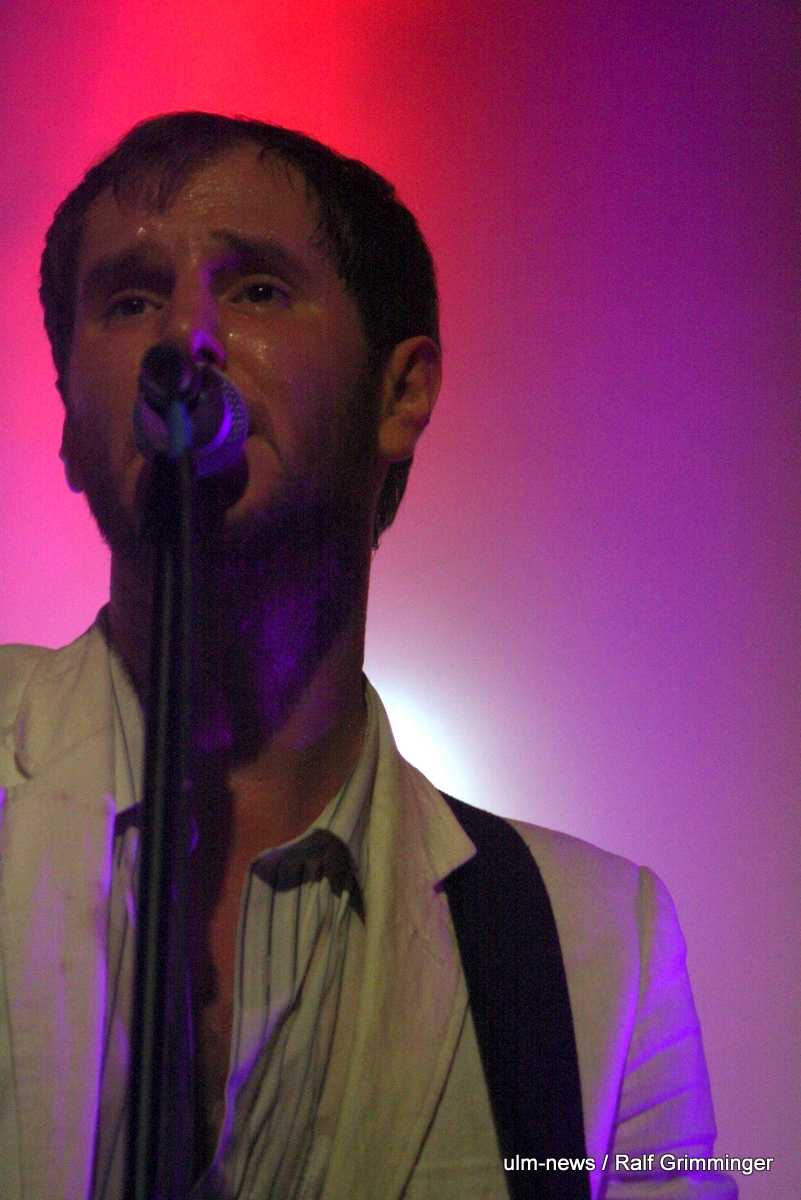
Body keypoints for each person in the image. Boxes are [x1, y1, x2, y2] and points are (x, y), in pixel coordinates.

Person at [0, 112, 736, 1200]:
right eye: (130, 301)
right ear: (68, 415)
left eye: (256, 290)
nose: (183, 338)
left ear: (401, 395)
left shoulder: (592, 947)